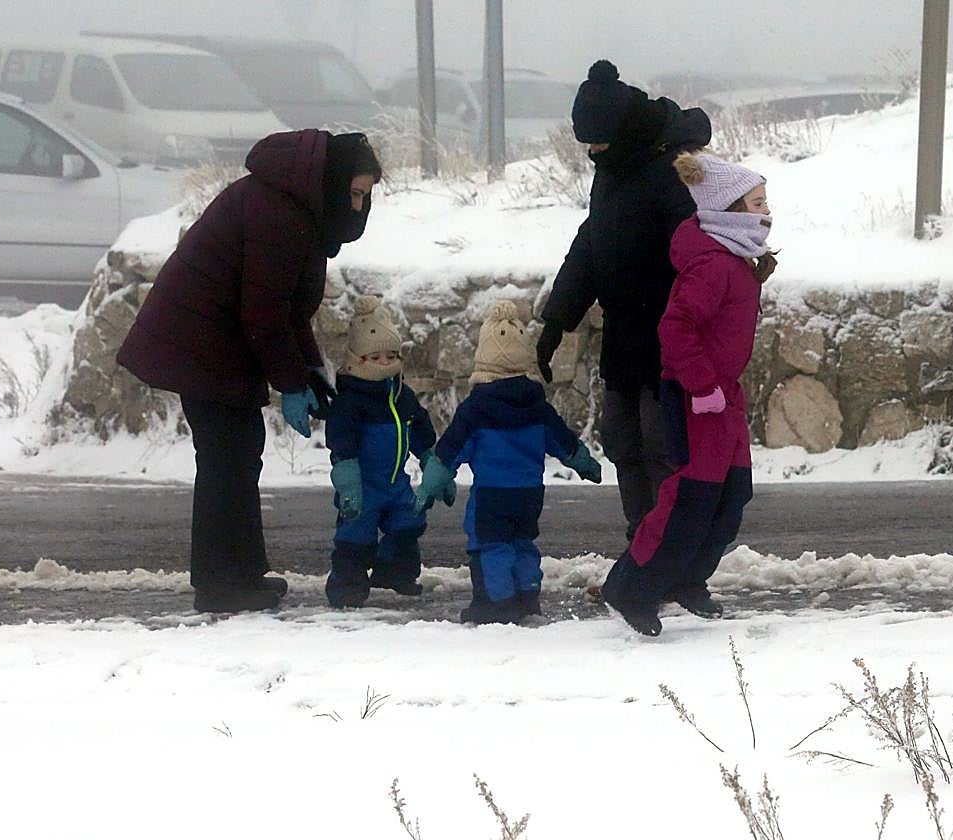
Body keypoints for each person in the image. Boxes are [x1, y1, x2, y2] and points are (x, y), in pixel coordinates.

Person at [116, 129, 382, 613]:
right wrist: (291, 383)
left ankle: (241, 572)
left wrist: (308, 367)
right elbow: (263, 312)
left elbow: (286, 308)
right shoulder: (278, 213)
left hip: (219, 341)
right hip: (199, 341)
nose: (358, 207)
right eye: (354, 193)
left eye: (365, 197)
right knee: (226, 458)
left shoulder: (297, 206)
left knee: (240, 452)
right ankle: (220, 584)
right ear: (330, 181)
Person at [601, 151, 777, 637]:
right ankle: (631, 588)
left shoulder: (736, 259)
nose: (767, 211)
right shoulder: (713, 265)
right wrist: (702, 387)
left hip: (723, 395)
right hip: (697, 396)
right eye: (758, 203)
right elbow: (676, 329)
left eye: (766, 201)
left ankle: (686, 579)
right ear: (729, 211)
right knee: (691, 499)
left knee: (732, 493)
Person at [537, 59, 712, 542]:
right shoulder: (614, 168)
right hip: (624, 336)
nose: (591, 151)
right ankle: (643, 543)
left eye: (597, 140)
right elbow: (592, 244)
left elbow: (701, 264)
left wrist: (691, 331)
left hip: (668, 339)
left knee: (663, 447)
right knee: (622, 442)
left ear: (623, 130)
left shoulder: (674, 172)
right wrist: (557, 319)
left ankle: (672, 550)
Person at [415, 301, 603, 624]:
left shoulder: (475, 409)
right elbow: (564, 441)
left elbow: (448, 452)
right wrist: (585, 463)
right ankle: (527, 596)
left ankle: (496, 604)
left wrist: (428, 488)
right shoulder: (537, 405)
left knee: (491, 546)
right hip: (529, 494)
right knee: (522, 542)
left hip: (492, 494)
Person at [324, 295, 450, 608]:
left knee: (409, 524)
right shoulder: (350, 401)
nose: (385, 363)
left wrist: (434, 463)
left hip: (395, 484)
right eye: (376, 357)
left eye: (391, 355)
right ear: (357, 359)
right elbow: (342, 443)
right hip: (362, 486)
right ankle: (347, 586)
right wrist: (348, 481)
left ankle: (395, 572)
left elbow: (420, 431)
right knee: (355, 536)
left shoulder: (402, 396)